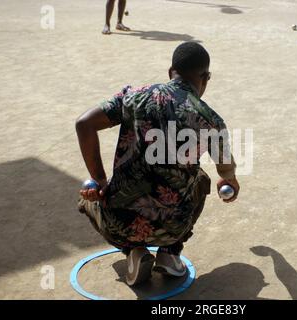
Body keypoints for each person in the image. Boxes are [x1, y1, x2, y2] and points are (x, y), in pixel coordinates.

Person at [76, 42, 240, 286]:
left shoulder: (132, 97)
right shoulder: (211, 120)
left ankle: (133, 252)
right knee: (202, 179)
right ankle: (170, 253)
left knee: (85, 200)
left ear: (170, 71)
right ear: (206, 77)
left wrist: (99, 180)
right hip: (173, 226)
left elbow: (84, 124)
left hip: (119, 223)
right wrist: (230, 184)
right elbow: (227, 177)